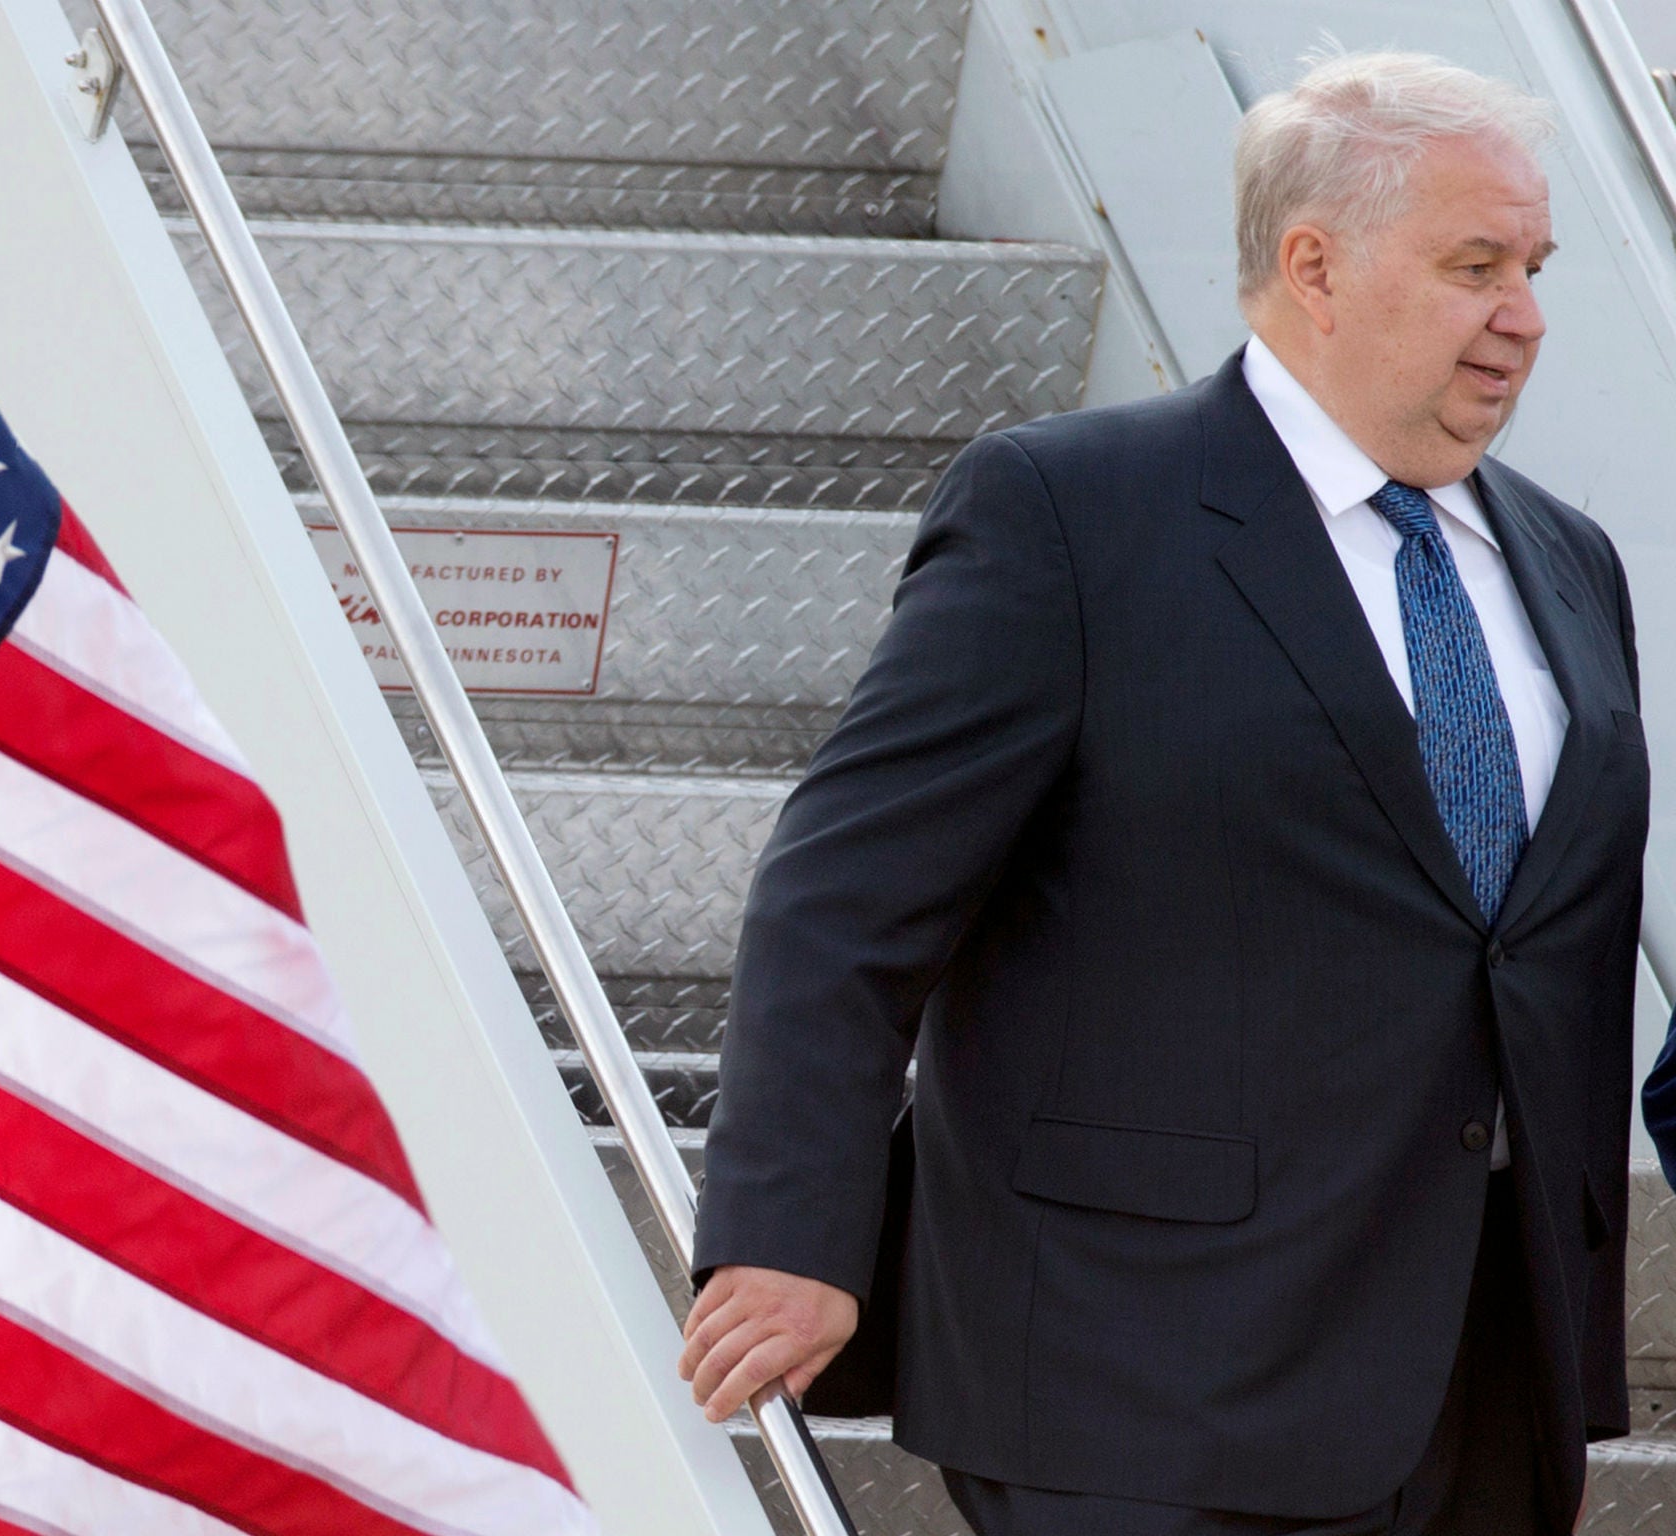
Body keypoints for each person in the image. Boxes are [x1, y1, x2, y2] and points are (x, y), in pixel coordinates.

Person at [682, 51, 1648, 1536]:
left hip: (1479, 1374)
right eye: (1475, 265)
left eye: (1532, 265)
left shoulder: (1570, 561)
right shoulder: (1068, 513)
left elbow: (1516, 948)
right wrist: (791, 1233)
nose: (1521, 314)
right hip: (1135, 1374)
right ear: (1313, 265)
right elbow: (845, 895)